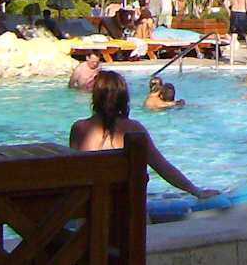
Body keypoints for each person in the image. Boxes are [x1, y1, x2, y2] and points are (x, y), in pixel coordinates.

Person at [69, 70, 217, 199]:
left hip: (89, 206)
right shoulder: (134, 129)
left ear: (95, 98)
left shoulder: (80, 129)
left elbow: (75, 174)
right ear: (123, 98)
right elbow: (161, 166)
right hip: (128, 208)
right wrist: (196, 191)